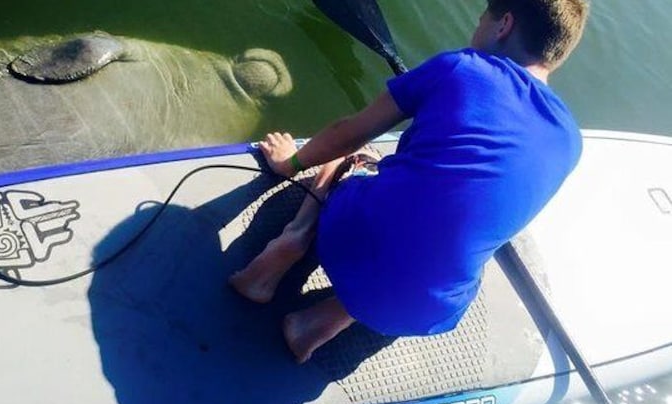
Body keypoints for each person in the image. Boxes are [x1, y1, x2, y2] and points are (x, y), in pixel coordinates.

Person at [229, 0, 590, 363]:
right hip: (429, 310)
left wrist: (288, 162)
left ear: (504, 25)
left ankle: (284, 250)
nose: (476, 28)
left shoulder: (462, 67)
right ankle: (315, 326)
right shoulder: (571, 141)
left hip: (349, 241)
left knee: (351, 155)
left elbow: (347, 132)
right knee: (442, 251)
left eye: (482, 18)